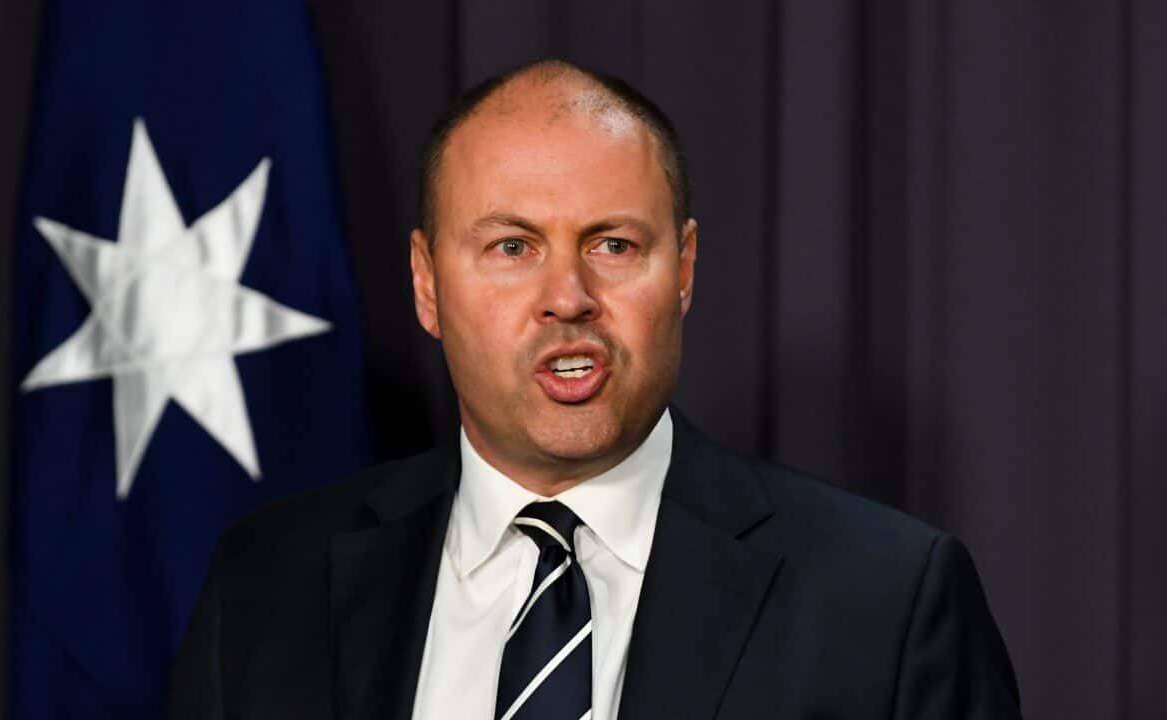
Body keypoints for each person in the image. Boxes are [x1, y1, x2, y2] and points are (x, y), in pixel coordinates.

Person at [167, 59, 1021, 719]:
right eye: (512, 247)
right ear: (428, 285)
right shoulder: (263, 587)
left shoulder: (888, 601)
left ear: (683, 269)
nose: (568, 296)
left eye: (613, 245)